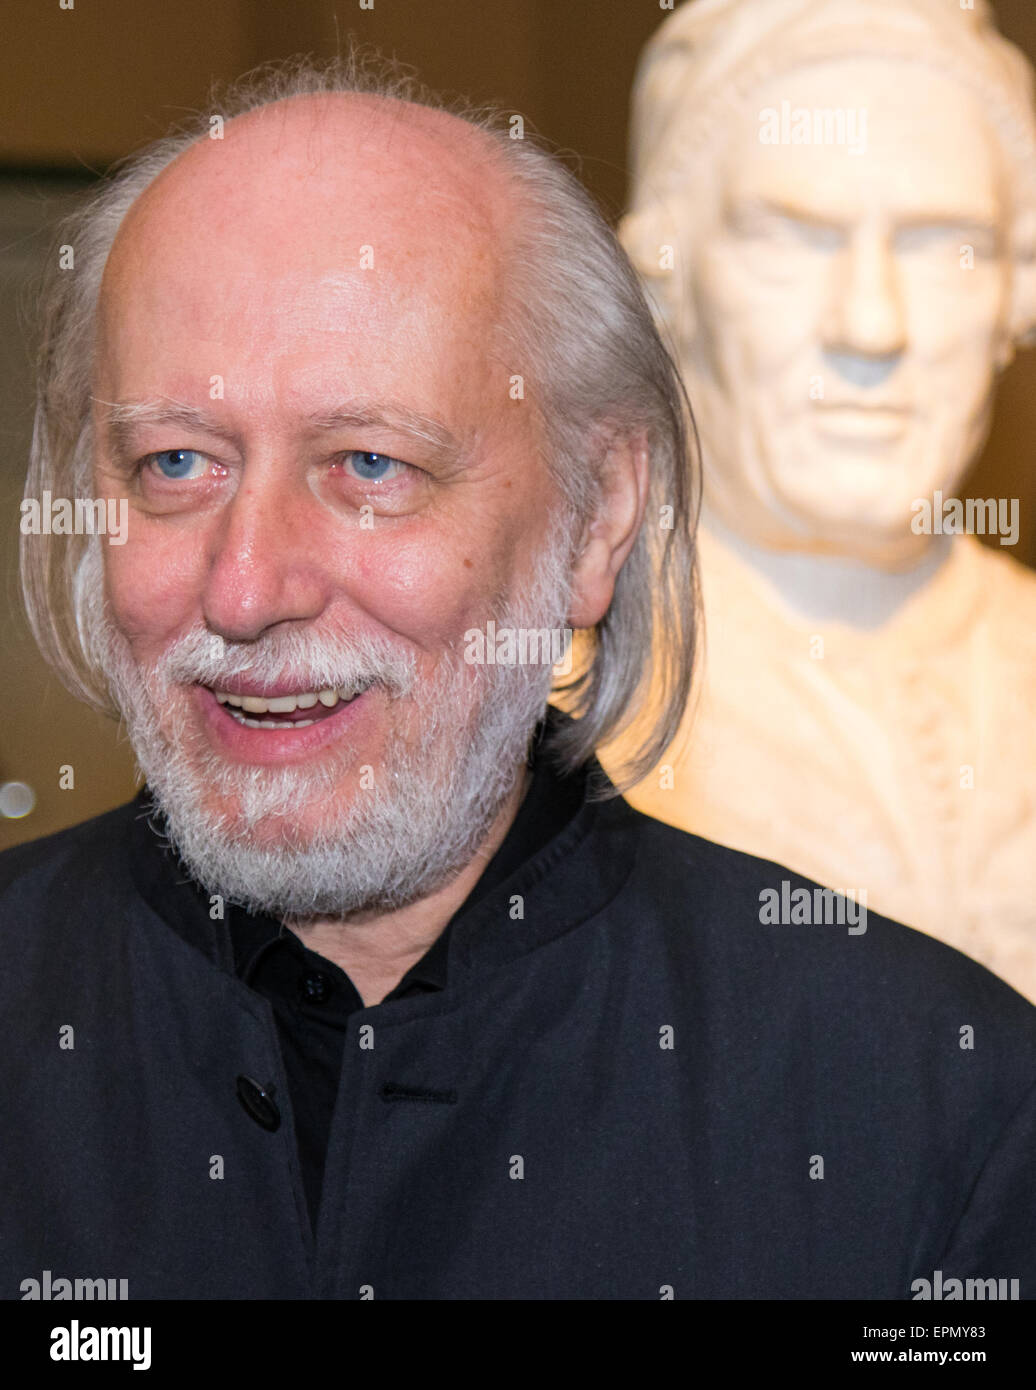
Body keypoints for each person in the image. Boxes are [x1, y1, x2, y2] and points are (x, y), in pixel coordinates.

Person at [3, 55, 1034, 1300]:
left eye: (369, 464)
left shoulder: (931, 1112)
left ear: (599, 517)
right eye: (175, 463)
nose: (244, 587)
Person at [608, 0, 1036, 1001]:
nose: (871, 325)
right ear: (665, 276)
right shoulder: (558, 697)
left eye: (942, 245)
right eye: (793, 236)